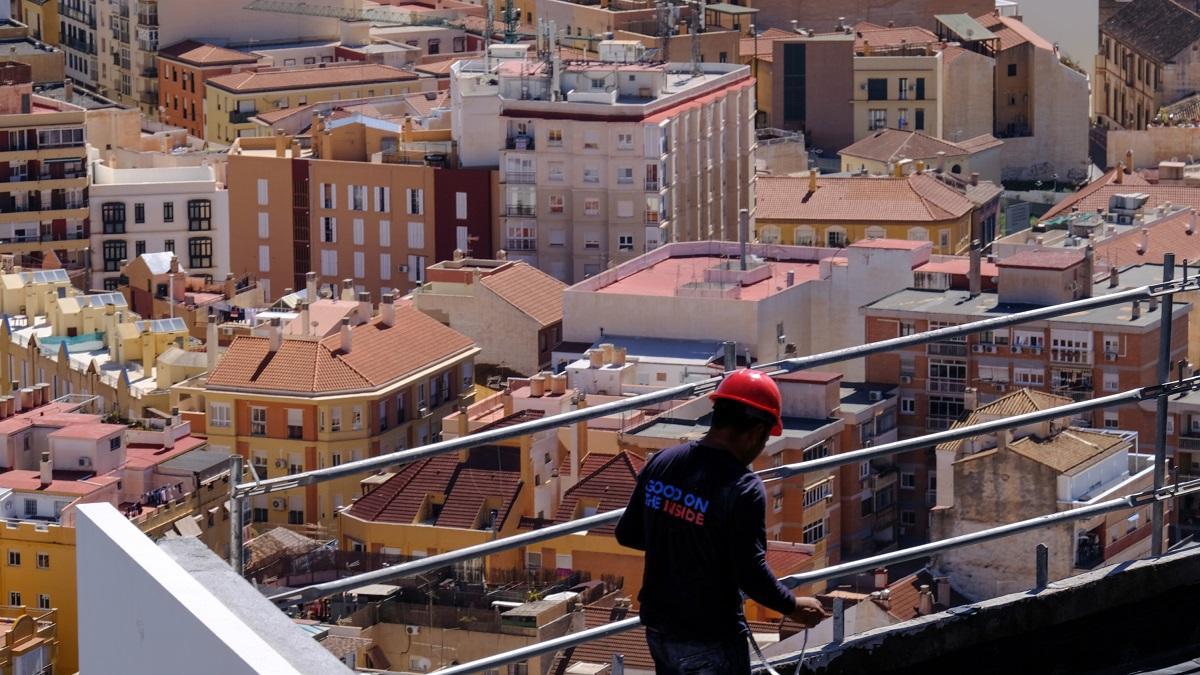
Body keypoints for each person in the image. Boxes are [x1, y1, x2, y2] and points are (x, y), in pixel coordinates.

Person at [616, 369, 828, 674]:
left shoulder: (663, 461)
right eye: (765, 438)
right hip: (709, 636)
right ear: (756, 432)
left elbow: (628, 533)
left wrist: (682, 537)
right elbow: (750, 571)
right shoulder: (742, 487)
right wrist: (792, 606)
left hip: (659, 629)